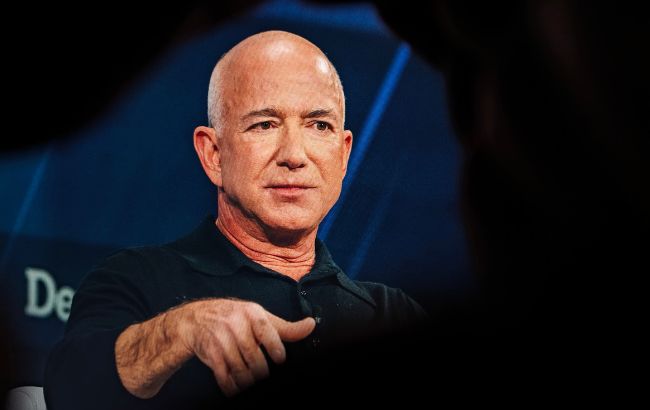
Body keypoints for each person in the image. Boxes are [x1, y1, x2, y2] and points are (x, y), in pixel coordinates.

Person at [43, 30, 426, 410]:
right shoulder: (136, 280)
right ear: (213, 154)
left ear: (342, 156)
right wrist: (181, 330)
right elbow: (70, 391)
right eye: (265, 124)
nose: (294, 155)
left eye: (318, 125)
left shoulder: (391, 314)